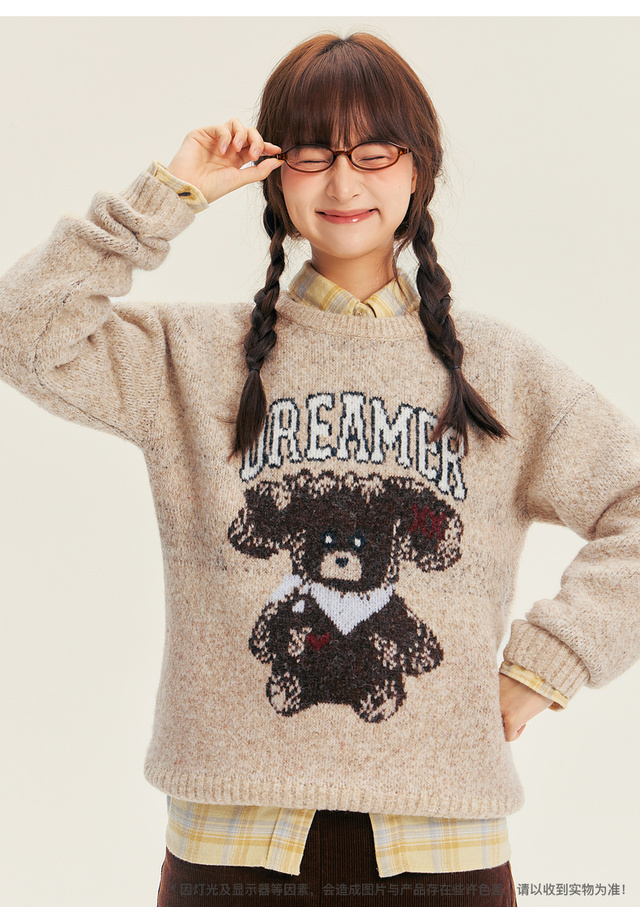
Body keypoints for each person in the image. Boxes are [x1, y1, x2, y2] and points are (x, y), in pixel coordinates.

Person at [1, 31, 639, 907]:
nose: (343, 184)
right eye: (312, 154)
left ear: (419, 169)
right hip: (230, 846)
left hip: (442, 848)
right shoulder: (192, 358)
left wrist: (547, 664)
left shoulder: (503, 370)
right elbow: (23, 333)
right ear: (274, 172)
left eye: (374, 154)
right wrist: (170, 195)